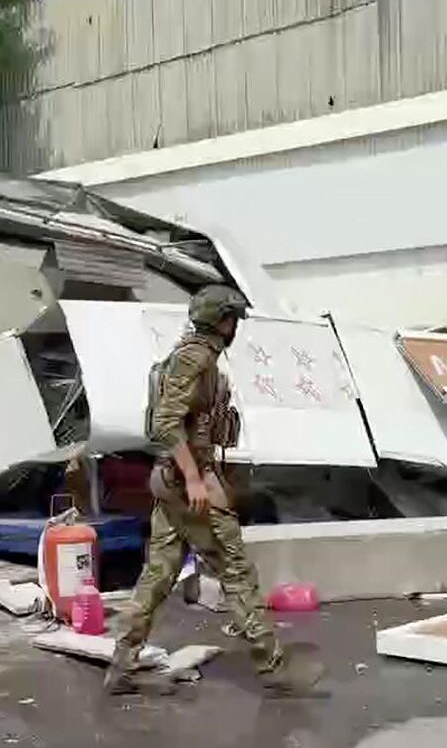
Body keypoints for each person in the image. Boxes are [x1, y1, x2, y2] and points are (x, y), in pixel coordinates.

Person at [105, 286, 323, 696]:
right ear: (223, 321)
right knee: (236, 571)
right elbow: (165, 424)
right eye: (233, 319)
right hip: (190, 483)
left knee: (158, 574)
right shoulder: (196, 358)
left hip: (174, 481)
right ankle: (272, 665)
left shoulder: (195, 355)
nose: (235, 326)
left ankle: (122, 664)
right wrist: (193, 478)